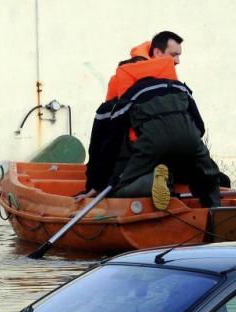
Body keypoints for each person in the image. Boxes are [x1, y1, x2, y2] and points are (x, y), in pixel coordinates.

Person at [78, 31, 222, 210]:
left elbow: (105, 140)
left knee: (117, 186)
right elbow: (199, 127)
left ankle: (155, 183)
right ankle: (215, 210)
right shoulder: (178, 87)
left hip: (145, 149)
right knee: (210, 176)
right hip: (185, 145)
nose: (177, 61)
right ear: (157, 54)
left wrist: (96, 184)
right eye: (174, 55)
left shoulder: (128, 86)